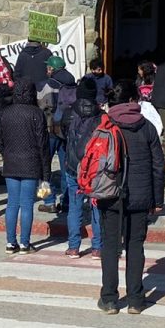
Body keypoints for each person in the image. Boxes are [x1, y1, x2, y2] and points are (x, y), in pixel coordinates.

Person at [97, 79, 165, 315]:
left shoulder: (106, 125)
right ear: (132, 101)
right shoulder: (146, 127)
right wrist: (157, 200)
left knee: (110, 246)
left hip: (109, 194)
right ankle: (136, 299)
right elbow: (158, 165)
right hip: (140, 195)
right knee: (135, 246)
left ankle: (109, 299)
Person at [0, 79, 50, 252]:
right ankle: (25, 242)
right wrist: (46, 173)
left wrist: (7, 153)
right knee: (26, 204)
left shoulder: (5, 113)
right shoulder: (36, 113)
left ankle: (10, 242)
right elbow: (43, 144)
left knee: (12, 204)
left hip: (11, 161)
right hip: (31, 162)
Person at [61, 77, 104, 258]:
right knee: (96, 206)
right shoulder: (101, 116)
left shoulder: (68, 113)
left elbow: (64, 134)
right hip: (94, 168)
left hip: (73, 166)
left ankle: (73, 246)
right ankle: (97, 247)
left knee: (74, 206)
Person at [37, 55, 77, 213]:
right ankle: (67, 201)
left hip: (49, 130)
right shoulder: (73, 83)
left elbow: (41, 107)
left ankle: (48, 201)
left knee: (42, 167)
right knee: (67, 167)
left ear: (51, 69)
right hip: (67, 130)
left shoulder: (45, 85)